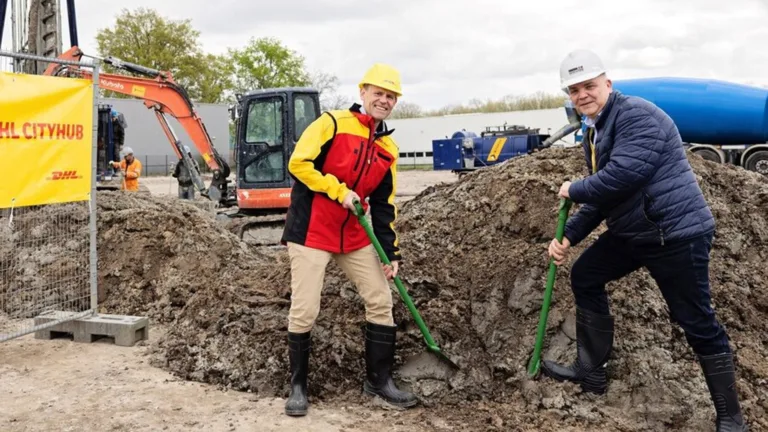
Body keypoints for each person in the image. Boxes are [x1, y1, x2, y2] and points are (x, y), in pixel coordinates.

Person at [542, 49, 748, 432]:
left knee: (696, 321)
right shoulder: (596, 129)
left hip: (676, 233)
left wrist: (575, 187)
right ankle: (592, 371)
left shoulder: (637, 115)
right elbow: (607, 196)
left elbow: (624, 175)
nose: (583, 94)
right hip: (636, 231)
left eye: (589, 85)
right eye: (574, 90)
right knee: (586, 274)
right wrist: (568, 237)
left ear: (608, 84)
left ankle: (731, 417)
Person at [280, 63, 417, 416]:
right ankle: (297, 386)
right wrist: (337, 189)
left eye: (390, 96)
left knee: (380, 299)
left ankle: (378, 381)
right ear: (363, 92)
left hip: (353, 236)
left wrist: (390, 253)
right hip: (311, 231)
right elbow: (299, 163)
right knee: (306, 308)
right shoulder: (332, 122)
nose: (383, 100)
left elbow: (385, 207)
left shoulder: (389, 149)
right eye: (378, 93)